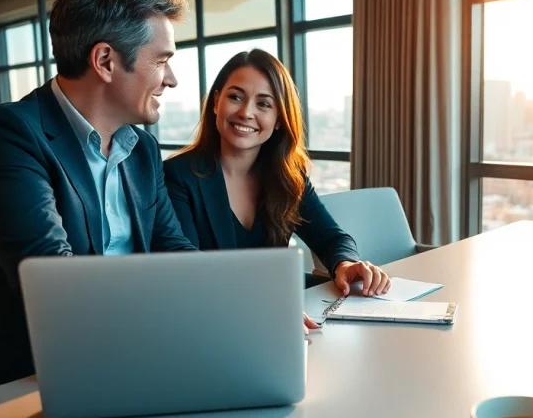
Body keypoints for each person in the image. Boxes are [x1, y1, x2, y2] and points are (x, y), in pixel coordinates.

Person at [0, 0, 196, 408]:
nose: (172, 79)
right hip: (15, 387)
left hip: (122, 362)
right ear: (105, 61)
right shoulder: (4, 135)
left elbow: (171, 246)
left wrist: (235, 307)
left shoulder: (141, 149)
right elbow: (55, 281)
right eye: (161, 61)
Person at [163, 49, 391, 329]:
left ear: (280, 119)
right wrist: (263, 305)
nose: (246, 112)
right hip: (211, 317)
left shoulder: (288, 176)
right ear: (216, 104)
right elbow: (185, 264)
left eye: (264, 104)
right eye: (235, 97)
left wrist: (345, 263)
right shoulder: (178, 174)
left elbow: (331, 237)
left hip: (282, 311)